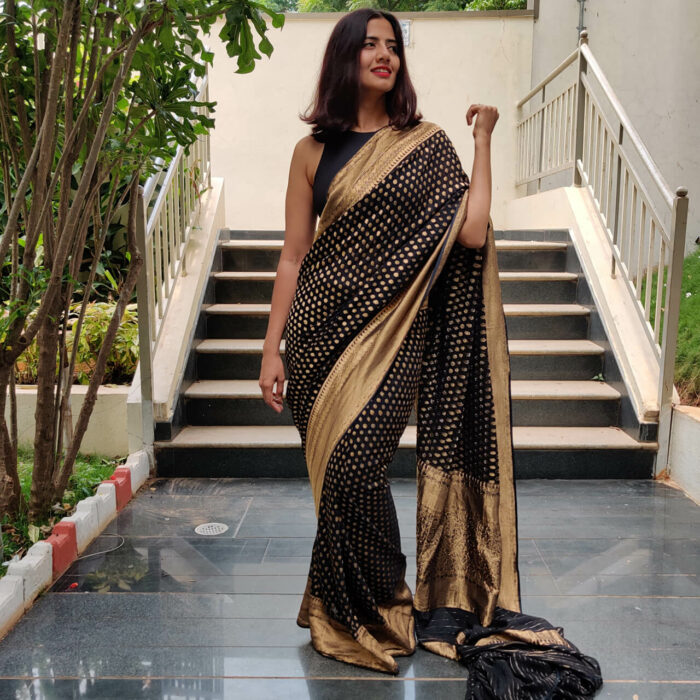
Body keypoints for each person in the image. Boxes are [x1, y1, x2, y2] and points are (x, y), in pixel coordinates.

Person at [259, 8, 603, 697]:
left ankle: (384, 611)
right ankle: (335, 611)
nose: (385, 56)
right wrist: (274, 348)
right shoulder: (310, 152)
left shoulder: (426, 143)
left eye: (393, 47)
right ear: (345, 58)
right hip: (319, 338)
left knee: (358, 470)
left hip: (389, 338)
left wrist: (483, 139)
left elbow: (471, 235)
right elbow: (294, 257)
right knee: (336, 487)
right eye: (371, 46)